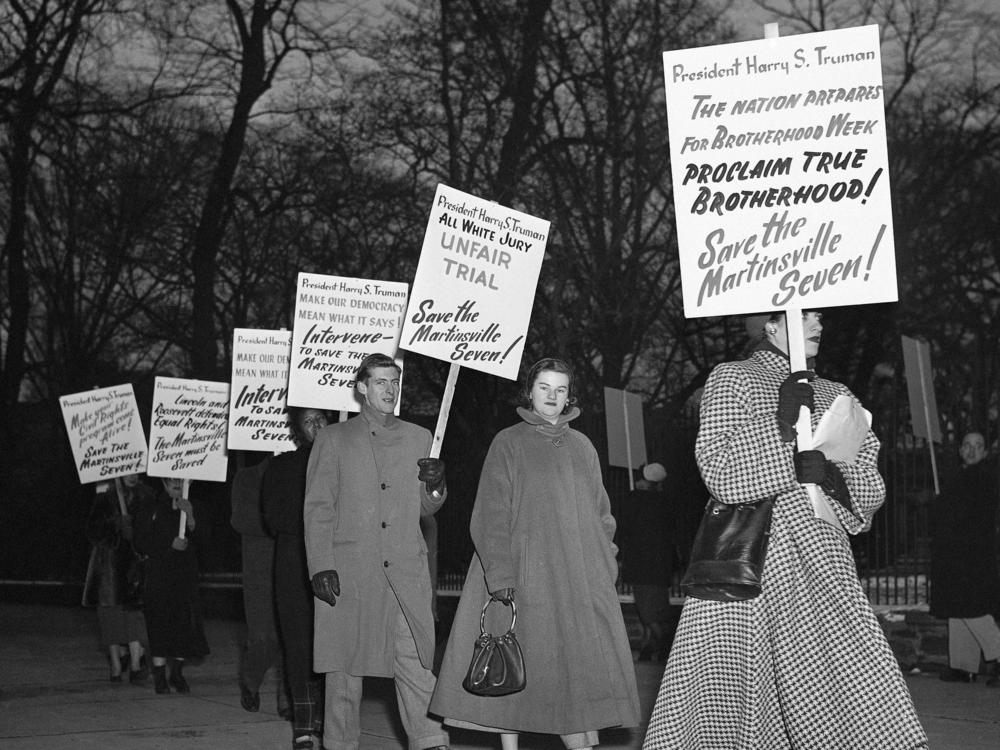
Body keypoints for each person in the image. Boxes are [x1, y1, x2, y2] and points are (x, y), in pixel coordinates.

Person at [644, 312, 927, 749]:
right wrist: (780, 425)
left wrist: (833, 477)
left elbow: (870, 487)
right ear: (770, 325)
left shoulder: (837, 393)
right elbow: (719, 472)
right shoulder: (732, 378)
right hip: (748, 567)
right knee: (733, 700)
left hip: (821, 563)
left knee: (849, 690)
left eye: (818, 314)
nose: (817, 322)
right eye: (803, 314)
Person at [430, 357, 640, 750]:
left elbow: (602, 513)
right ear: (530, 391)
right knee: (515, 670)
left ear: (569, 396)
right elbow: (490, 514)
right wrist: (501, 576)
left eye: (560, 389)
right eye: (544, 387)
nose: (552, 396)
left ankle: (580, 741)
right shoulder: (508, 442)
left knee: (575, 671)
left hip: (577, 579)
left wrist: (604, 562)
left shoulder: (583, 446)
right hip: (524, 575)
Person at [304, 353, 449, 750]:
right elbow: (318, 507)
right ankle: (339, 743)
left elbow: (427, 507)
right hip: (352, 573)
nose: (390, 390)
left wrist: (435, 484)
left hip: (403, 571)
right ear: (362, 388)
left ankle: (430, 740)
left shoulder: (421, 439)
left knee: (416, 662)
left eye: (395, 382)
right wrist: (321, 564)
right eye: (381, 382)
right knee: (344, 670)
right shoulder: (334, 439)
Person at [262, 407, 331, 750]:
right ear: (297, 429)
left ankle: (332, 721)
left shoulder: (348, 461)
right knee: (299, 643)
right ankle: (305, 725)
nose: (316, 425)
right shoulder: (283, 466)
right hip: (294, 565)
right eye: (308, 420)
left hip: (338, 563)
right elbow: (274, 518)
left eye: (322, 418)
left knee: (334, 645)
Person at [930, 430, 1000, 685]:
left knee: (972, 609)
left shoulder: (984, 479)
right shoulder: (961, 477)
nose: (971, 451)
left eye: (977, 446)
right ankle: (962, 665)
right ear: (960, 450)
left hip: (972, 556)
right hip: (956, 555)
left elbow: (965, 515)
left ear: (984, 452)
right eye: (967, 445)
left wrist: (940, 506)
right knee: (957, 610)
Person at [133, 476, 210, 694]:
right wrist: (169, 546)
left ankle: (177, 673)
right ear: (163, 483)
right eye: (171, 481)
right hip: (158, 575)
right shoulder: (152, 506)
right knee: (159, 623)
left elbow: (206, 541)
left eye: (181, 480)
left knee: (182, 624)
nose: (176, 484)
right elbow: (141, 541)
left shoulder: (196, 506)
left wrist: (192, 517)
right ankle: (159, 676)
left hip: (185, 577)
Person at [230, 453, 288, 716]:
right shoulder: (247, 477)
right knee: (263, 638)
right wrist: (276, 517)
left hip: (293, 567)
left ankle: (287, 698)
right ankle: (250, 682)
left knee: (292, 637)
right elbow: (240, 520)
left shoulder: (301, 473)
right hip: (260, 572)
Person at [82, 473, 151, 683]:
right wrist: (114, 524)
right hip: (109, 566)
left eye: (136, 471)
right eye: (128, 472)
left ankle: (137, 665)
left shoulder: (146, 497)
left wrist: (136, 532)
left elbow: (151, 529)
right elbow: (92, 532)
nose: (133, 476)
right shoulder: (105, 498)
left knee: (134, 614)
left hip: (134, 564)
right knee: (110, 613)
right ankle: (115, 664)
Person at [616, 461, 679, 662]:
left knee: (648, 612)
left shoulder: (636, 500)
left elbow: (624, 527)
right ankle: (649, 647)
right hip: (661, 565)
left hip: (642, 563)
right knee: (656, 608)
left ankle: (667, 644)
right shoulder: (666, 502)